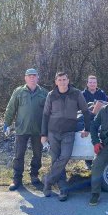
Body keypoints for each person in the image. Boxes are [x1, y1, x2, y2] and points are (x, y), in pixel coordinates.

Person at [41, 72, 91, 201]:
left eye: (64, 79)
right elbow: (45, 115)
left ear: (68, 80)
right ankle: (63, 189)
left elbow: (86, 111)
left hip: (69, 132)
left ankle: (48, 180)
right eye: (60, 80)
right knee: (55, 159)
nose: (62, 82)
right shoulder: (51, 95)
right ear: (56, 81)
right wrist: (43, 134)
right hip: (53, 132)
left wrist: (87, 128)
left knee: (65, 157)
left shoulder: (76, 93)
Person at [3, 68, 48, 191]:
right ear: (25, 78)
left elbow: (49, 112)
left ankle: (34, 176)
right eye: (30, 76)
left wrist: (48, 130)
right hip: (21, 129)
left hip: (38, 130)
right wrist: (7, 123)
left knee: (37, 155)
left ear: (38, 78)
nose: (32, 78)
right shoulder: (18, 92)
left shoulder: (44, 93)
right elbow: (11, 108)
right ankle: (17, 179)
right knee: (19, 155)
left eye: (34, 76)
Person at [82, 75, 108, 170]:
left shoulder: (101, 93)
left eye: (94, 82)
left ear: (96, 84)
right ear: (87, 83)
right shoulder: (82, 94)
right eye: (90, 82)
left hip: (100, 119)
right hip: (86, 119)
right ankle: (88, 161)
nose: (92, 84)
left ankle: (100, 160)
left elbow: (106, 105)